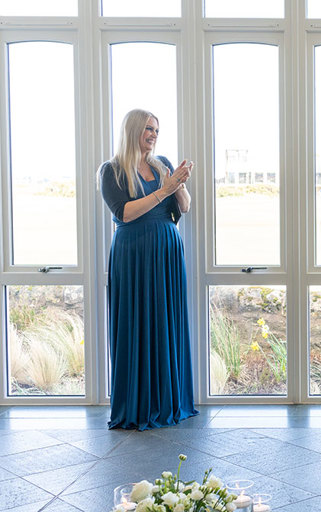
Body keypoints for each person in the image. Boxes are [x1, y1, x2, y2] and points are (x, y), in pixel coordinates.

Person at [100, 109, 198, 430]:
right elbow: (125, 213)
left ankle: (168, 401)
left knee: (165, 321)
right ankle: (136, 405)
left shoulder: (162, 164)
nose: (154, 135)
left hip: (166, 250)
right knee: (135, 321)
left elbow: (183, 206)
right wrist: (165, 189)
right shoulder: (111, 170)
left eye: (156, 129)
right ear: (132, 131)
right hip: (132, 252)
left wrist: (179, 183)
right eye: (147, 129)